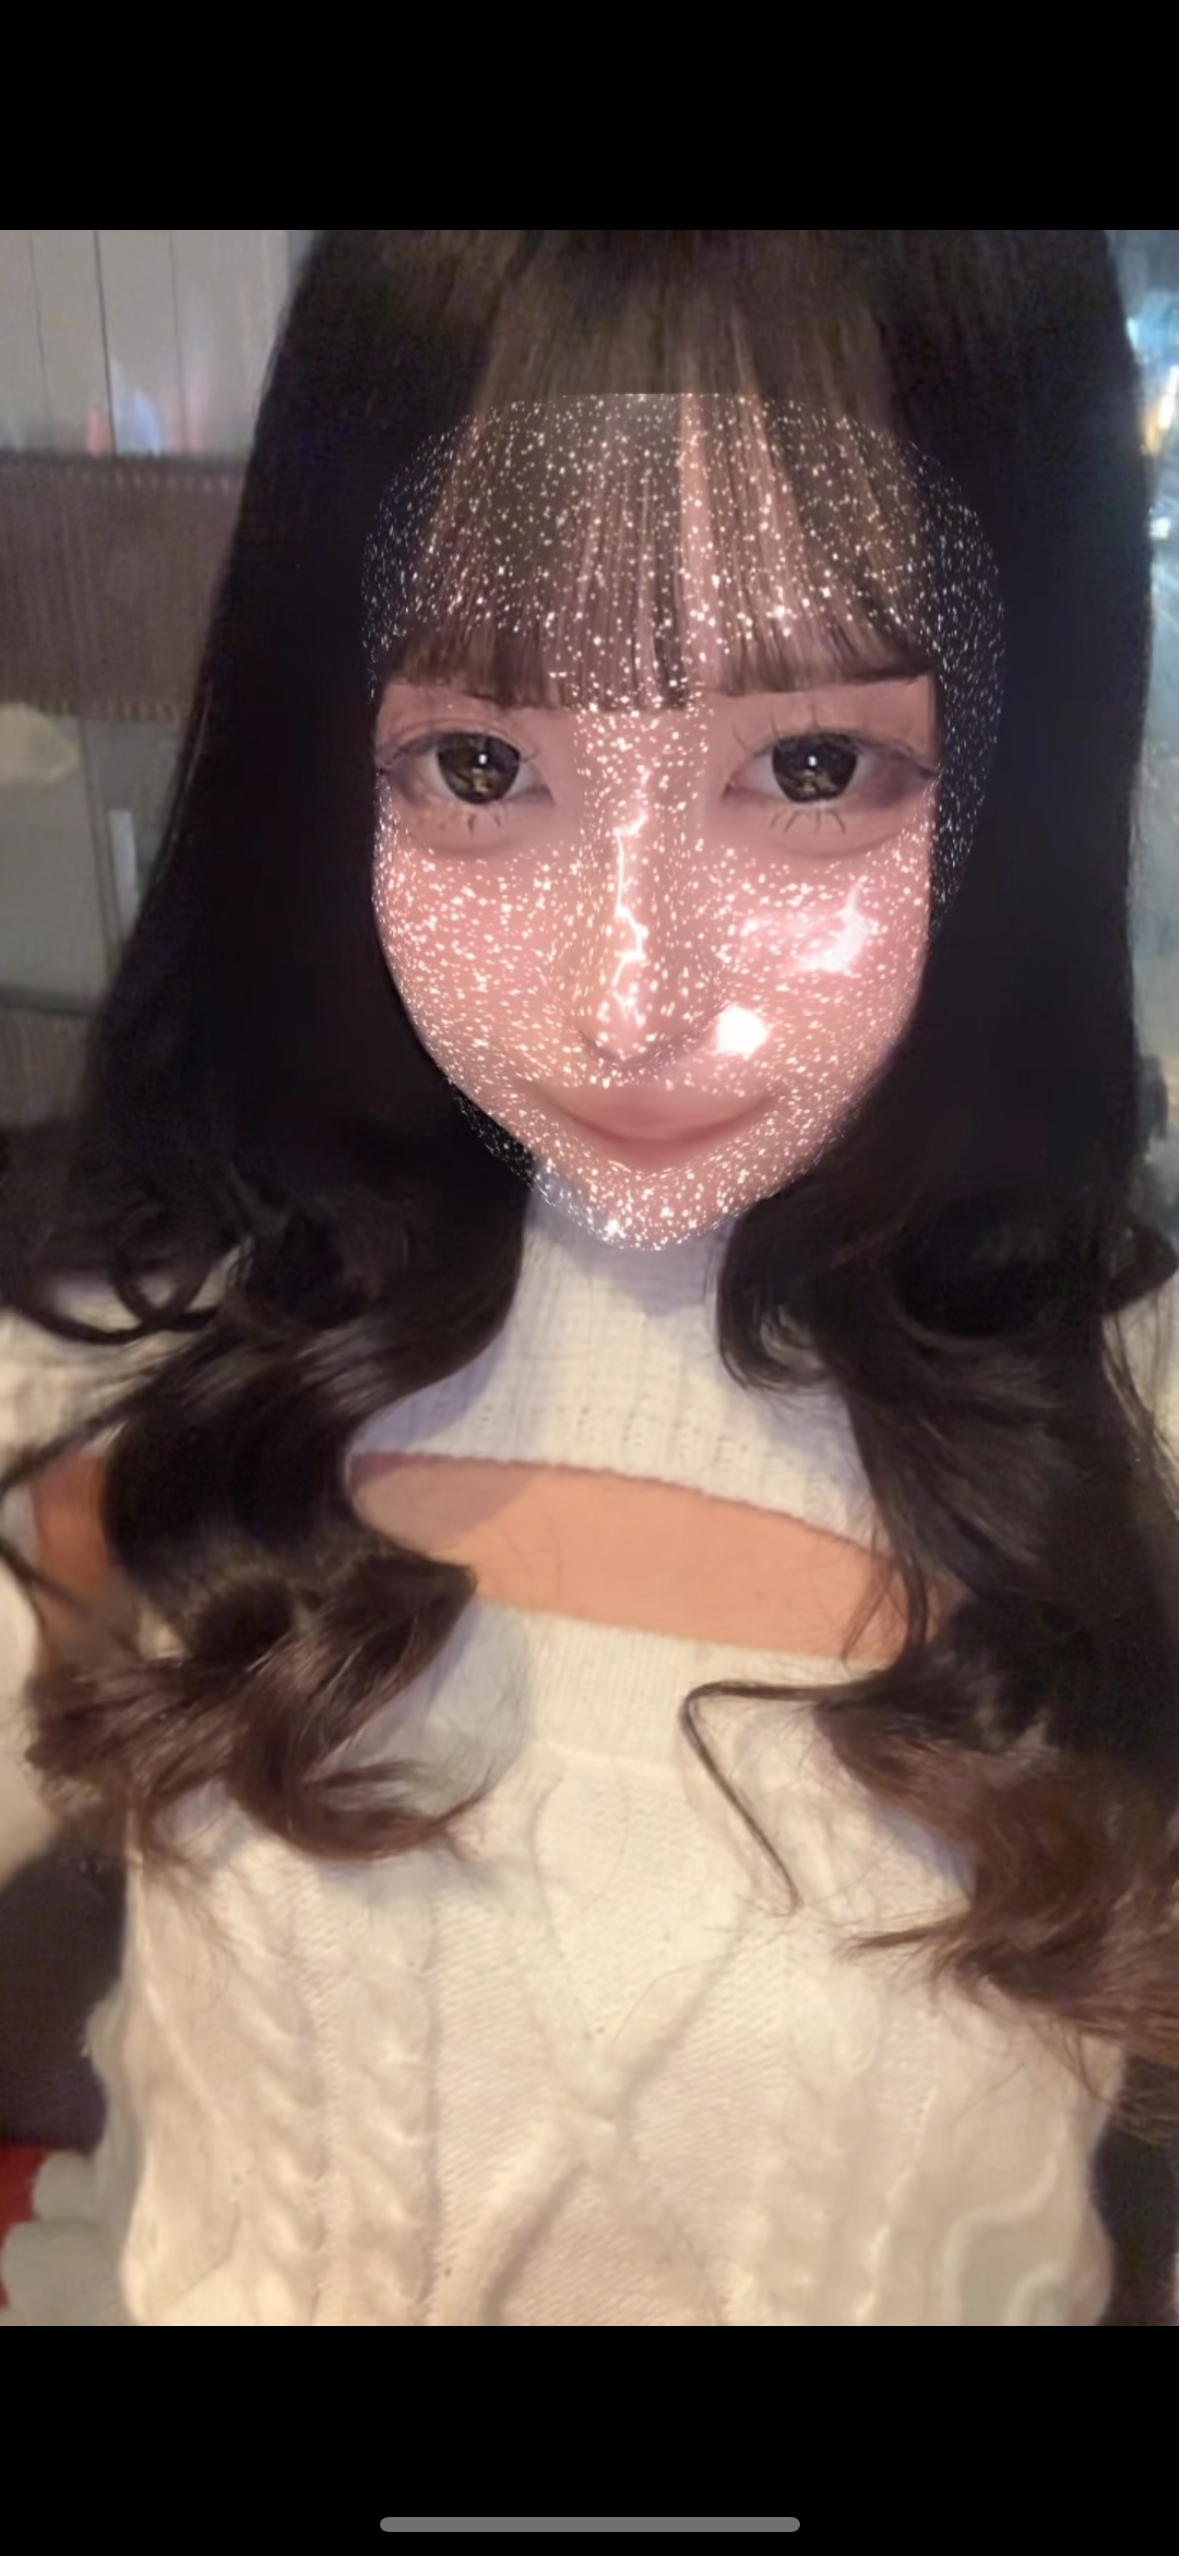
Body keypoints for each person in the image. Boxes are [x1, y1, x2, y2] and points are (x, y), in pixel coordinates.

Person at [1, 229, 1178, 2327]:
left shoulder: (1142, 1424)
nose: (627, 1000)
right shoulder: (147, 1355)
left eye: (808, 766)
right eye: (481, 765)